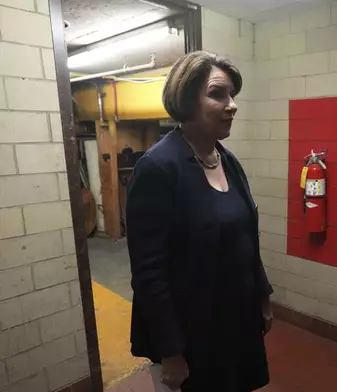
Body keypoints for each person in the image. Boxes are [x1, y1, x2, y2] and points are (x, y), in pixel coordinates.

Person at [126, 51, 274, 392]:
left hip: (236, 317)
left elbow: (247, 237)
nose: (232, 104)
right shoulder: (159, 168)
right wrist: (172, 351)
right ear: (186, 98)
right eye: (218, 94)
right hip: (193, 329)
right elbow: (149, 273)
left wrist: (263, 295)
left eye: (233, 94)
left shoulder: (228, 160)